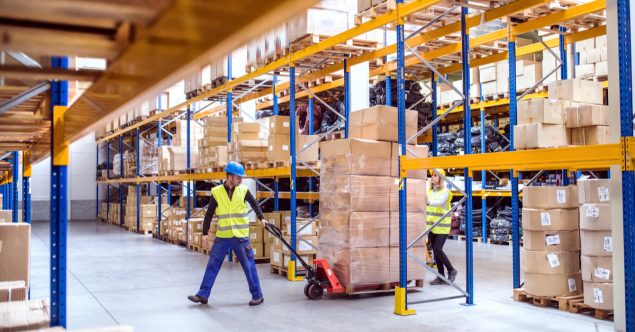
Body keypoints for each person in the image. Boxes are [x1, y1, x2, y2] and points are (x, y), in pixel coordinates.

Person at [188, 162, 268, 306]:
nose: (241, 180)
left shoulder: (243, 190)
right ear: (229, 177)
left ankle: (258, 295)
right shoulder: (217, 192)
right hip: (223, 236)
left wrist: (262, 218)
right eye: (238, 177)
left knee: (249, 266)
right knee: (212, 264)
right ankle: (203, 294)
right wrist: (205, 233)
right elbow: (209, 213)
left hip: (240, 236)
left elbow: (255, 204)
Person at [425, 168, 458, 285]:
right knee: (435, 251)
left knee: (438, 249)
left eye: (435, 175)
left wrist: (428, 202)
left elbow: (439, 202)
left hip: (442, 226)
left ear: (441, 178)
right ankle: (441, 276)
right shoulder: (429, 191)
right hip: (431, 226)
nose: (432, 177)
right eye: (432, 175)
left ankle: (451, 270)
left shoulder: (446, 192)